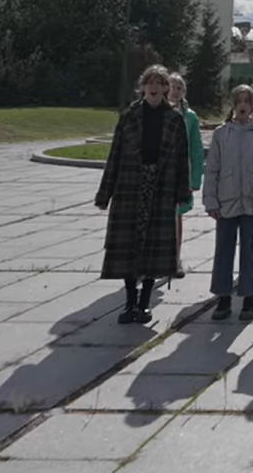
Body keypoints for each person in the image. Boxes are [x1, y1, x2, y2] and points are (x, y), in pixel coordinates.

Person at [95, 64, 193, 325]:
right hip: (130, 187)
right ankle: (129, 302)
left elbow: (182, 160)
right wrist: (105, 194)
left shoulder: (174, 120)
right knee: (129, 247)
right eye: (150, 82)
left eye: (160, 83)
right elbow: (115, 155)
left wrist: (182, 192)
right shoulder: (129, 117)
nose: (154, 87)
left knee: (153, 248)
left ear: (166, 89)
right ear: (143, 87)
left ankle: (145, 303)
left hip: (160, 188)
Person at [206, 84, 253, 321]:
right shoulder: (221, 134)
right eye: (239, 101)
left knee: (249, 250)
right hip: (226, 201)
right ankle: (223, 297)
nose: (243, 106)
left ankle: (249, 296)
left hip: (251, 201)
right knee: (223, 250)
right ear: (233, 105)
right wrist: (211, 200)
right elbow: (212, 169)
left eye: (247, 101)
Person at [167, 73, 206, 280]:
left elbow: (196, 148)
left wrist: (195, 178)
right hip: (159, 174)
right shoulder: (157, 112)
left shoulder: (189, 117)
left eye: (179, 87)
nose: (175, 91)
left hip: (180, 174)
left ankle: (175, 259)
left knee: (176, 216)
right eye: (172, 86)